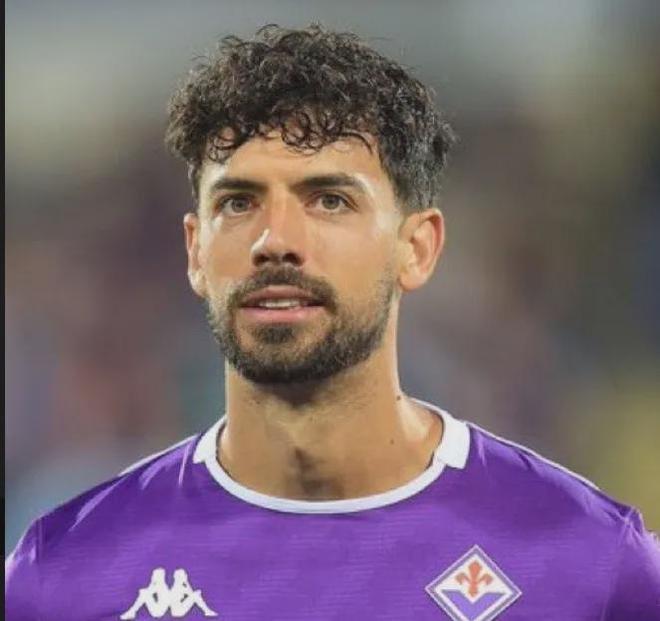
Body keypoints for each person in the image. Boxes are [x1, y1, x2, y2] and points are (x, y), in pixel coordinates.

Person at [5, 24, 660, 621]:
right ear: (196, 251)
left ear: (417, 248)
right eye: (238, 202)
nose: (275, 241)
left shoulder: (592, 565)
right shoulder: (64, 575)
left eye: (329, 200)